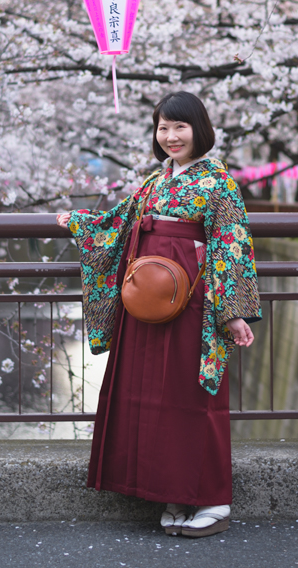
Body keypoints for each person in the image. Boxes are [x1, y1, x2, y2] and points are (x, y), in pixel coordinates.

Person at [56, 91, 259, 538]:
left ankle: (213, 500)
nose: (170, 136)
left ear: (199, 129)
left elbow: (231, 244)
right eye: (163, 127)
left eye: (179, 127)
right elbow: (118, 223)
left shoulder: (219, 182)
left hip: (193, 304)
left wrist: (232, 313)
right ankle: (173, 494)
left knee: (191, 396)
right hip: (147, 302)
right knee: (152, 395)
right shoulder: (155, 181)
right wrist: (80, 222)